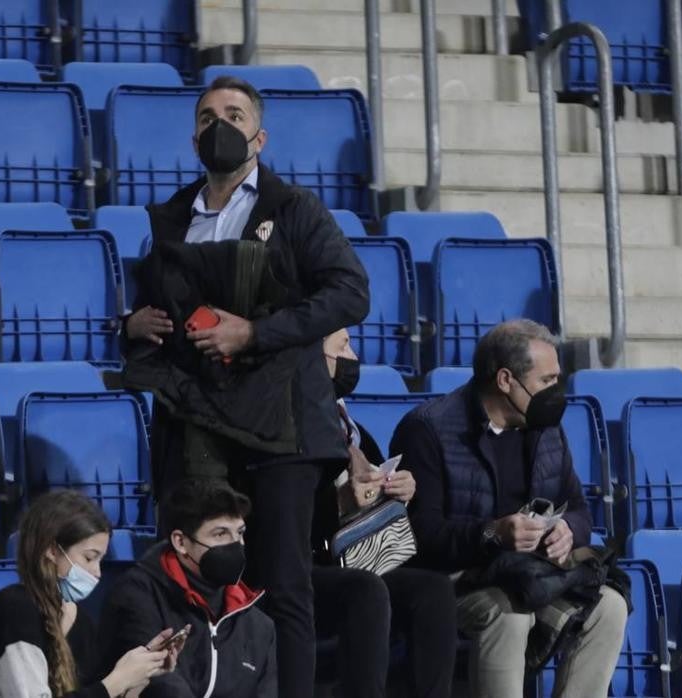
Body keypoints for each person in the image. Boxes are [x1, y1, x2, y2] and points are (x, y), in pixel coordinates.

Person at [125, 75, 369, 696]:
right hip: (202, 422)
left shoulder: (296, 211)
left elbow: (350, 291)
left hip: (284, 423)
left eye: (233, 115)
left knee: (284, 586)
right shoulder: (173, 217)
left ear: (259, 137)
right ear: (194, 139)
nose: (220, 127)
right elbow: (160, 308)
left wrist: (254, 333)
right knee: (192, 577)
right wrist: (133, 322)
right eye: (207, 118)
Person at [390, 319, 628, 698]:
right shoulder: (428, 429)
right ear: (505, 380)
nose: (556, 393)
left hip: (530, 574)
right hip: (460, 579)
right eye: (546, 381)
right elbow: (420, 534)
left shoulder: (546, 428)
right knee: (509, 616)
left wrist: (567, 529)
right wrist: (493, 533)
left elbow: (581, 510)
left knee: (609, 605)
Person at [310, 329, 457, 698]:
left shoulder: (350, 426)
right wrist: (340, 502)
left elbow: (374, 478)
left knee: (434, 589)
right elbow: (288, 513)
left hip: (358, 556)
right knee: (367, 590)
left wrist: (399, 490)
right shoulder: (296, 422)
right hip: (306, 564)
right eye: (342, 347)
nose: (354, 356)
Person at [0, 490, 180, 698]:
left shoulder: (81, 622)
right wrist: (116, 681)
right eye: (89, 558)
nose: (97, 572)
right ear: (52, 550)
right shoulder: (14, 613)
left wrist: (142, 672)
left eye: (100, 560)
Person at [98, 478, 276, 697]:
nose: (235, 545)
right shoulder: (137, 595)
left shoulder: (259, 627)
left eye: (239, 533)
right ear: (180, 542)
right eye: (220, 534)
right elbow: (159, 685)